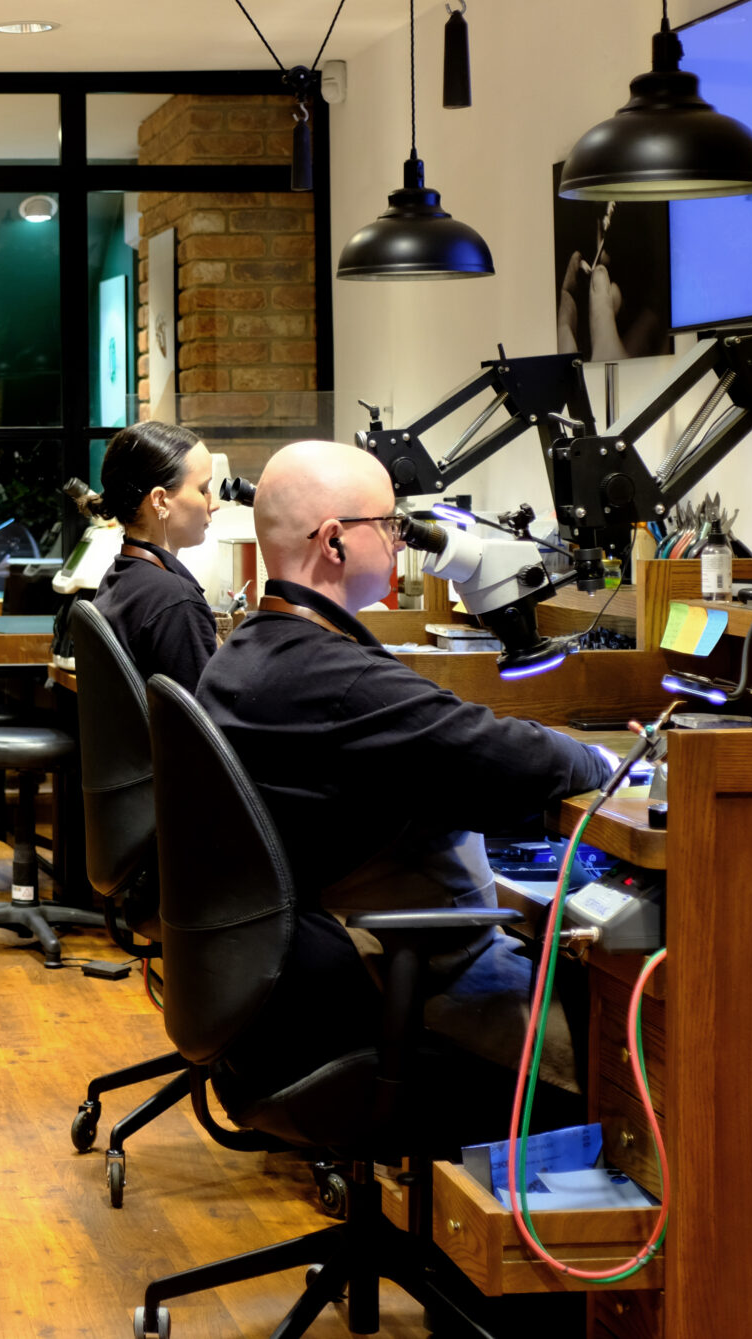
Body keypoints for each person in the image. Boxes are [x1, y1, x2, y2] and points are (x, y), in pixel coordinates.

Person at [197, 440, 614, 1133]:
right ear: (333, 542)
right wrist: (608, 761)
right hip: (392, 986)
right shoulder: (335, 678)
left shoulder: (245, 655)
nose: (399, 541)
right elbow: (513, 757)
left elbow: (440, 744)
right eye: (387, 524)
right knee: (632, 1049)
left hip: (278, 997)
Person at [90, 420, 221, 693]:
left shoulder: (120, 577)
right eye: (203, 489)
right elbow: (207, 724)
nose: (215, 503)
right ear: (160, 500)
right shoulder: (175, 600)